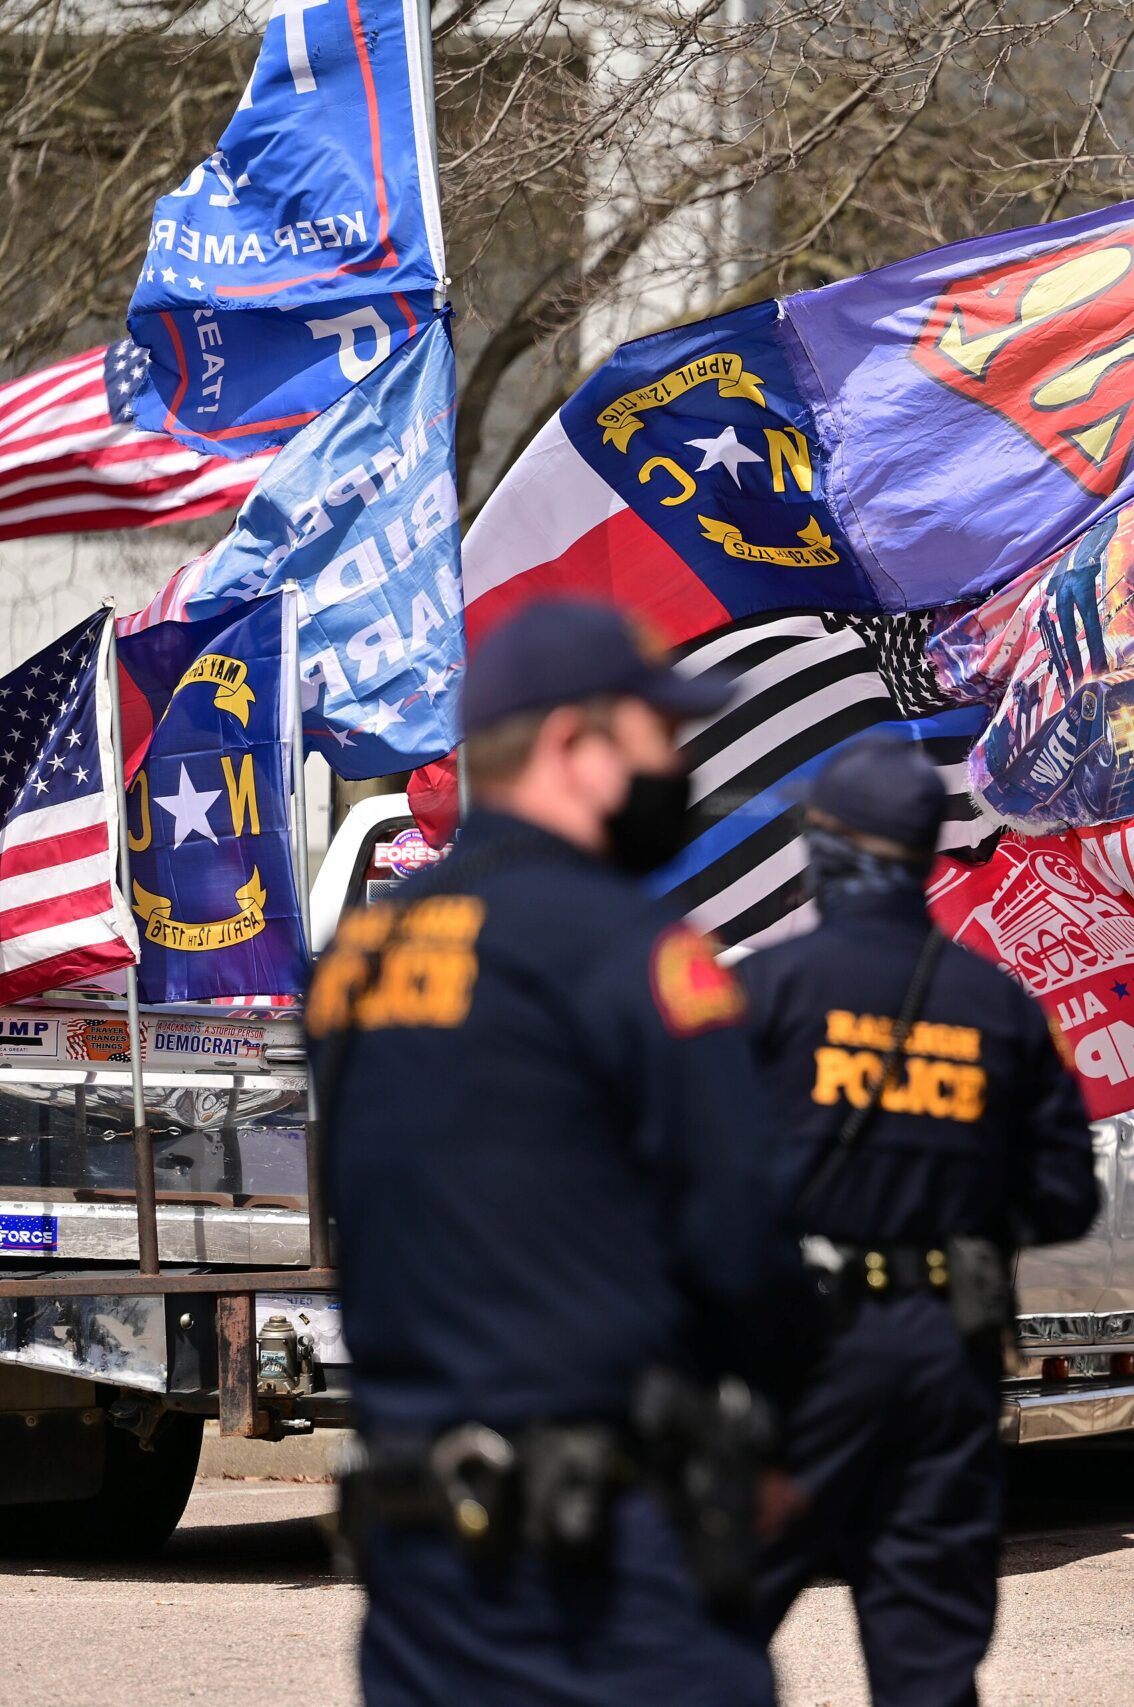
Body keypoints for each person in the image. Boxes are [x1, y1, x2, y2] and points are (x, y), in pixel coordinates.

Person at [307, 599, 796, 1707]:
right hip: (606, 1575)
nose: (679, 763)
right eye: (657, 734)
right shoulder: (634, 953)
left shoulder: (360, 956)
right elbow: (740, 1239)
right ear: (576, 744)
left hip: (419, 1565)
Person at [742, 734, 1100, 1707]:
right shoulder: (1000, 1009)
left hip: (798, 1354)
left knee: (711, 1623)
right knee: (928, 1653)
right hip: (947, 1352)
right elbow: (1069, 1195)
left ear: (827, 843)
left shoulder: (764, 994)